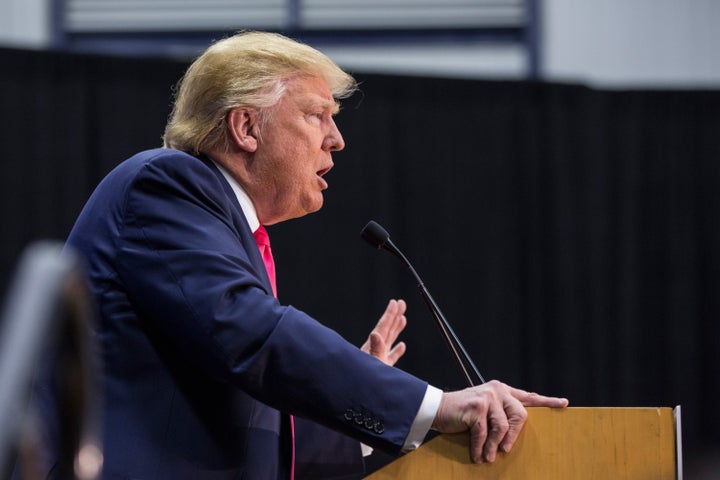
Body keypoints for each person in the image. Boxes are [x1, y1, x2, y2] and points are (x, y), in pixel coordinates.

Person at [29, 31, 568, 479]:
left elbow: (256, 410)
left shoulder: (230, 226)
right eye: (317, 116)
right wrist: (433, 406)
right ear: (245, 127)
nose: (337, 140)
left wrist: (360, 394)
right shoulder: (167, 184)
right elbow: (250, 335)